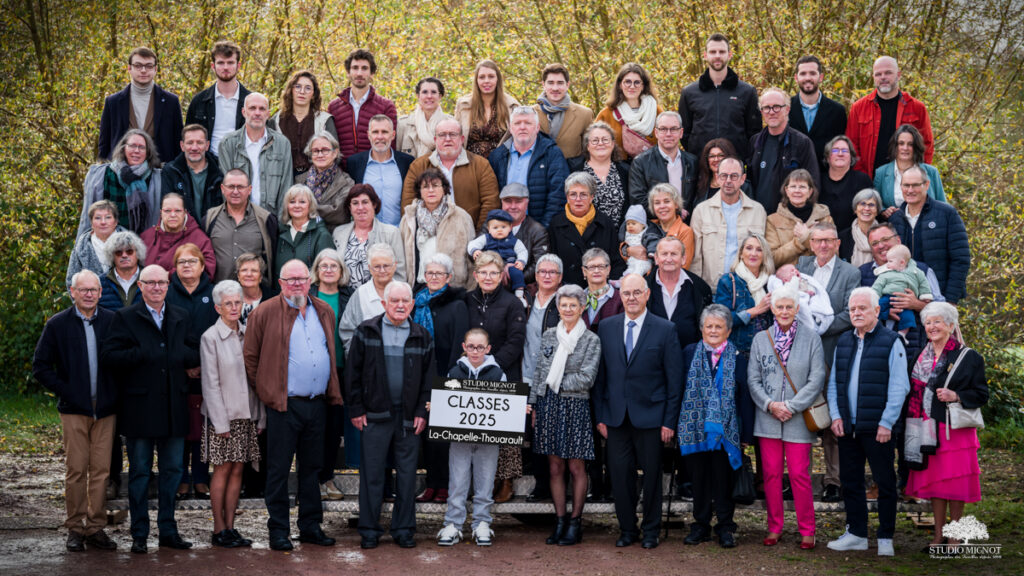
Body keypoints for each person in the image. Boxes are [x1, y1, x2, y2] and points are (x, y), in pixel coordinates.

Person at [243, 259, 343, 551]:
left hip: (317, 404)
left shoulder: (323, 310)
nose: (297, 283)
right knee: (278, 469)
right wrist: (267, 390)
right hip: (283, 405)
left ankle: (311, 526)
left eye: (302, 278)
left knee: (312, 468)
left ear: (309, 281)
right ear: (281, 283)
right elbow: (250, 358)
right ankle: (278, 530)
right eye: (291, 279)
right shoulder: (264, 312)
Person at [101, 264, 199, 554]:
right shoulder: (125, 317)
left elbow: (194, 351)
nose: (156, 288)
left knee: (172, 471)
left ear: (168, 285)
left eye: (161, 283)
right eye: (150, 283)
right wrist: (142, 353)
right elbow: (109, 356)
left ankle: (168, 531)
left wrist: (176, 354)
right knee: (140, 473)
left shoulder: (181, 315)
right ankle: (139, 534)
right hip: (140, 408)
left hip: (173, 407)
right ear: (140, 286)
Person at [594, 273, 683, 549]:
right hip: (616, 418)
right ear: (620, 297)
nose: (631, 298)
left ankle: (652, 530)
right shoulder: (606, 327)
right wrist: (601, 417)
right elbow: (600, 378)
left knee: (653, 476)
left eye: (636, 293)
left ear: (647, 295)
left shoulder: (665, 329)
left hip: (652, 418)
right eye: (626, 293)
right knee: (620, 476)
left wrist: (669, 421)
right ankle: (627, 529)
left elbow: (674, 380)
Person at [33, 270, 118, 552]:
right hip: (74, 410)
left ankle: (95, 528)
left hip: (105, 411)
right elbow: (41, 367)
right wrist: (68, 391)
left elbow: (123, 361)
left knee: (102, 472)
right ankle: (74, 527)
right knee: (76, 470)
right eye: (83, 290)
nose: (89, 294)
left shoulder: (111, 321)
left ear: (99, 292)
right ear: (73, 291)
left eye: (94, 289)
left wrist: (114, 393)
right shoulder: (58, 324)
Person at [346, 281, 434, 550]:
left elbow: (428, 380)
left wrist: (422, 411)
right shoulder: (367, 331)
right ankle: (370, 530)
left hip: (408, 418)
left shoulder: (421, 335)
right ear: (384, 304)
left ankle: (404, 529)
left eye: (405, 301)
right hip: (375, 416)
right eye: (394, 301)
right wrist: (356, 409)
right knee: (372, 475)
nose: (399, 305)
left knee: (407, 476)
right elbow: (353, 374)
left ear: (412, 304)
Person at [826, 287, 910, 557]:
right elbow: (834, 383)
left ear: (876, 311)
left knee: (885, 482)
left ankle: (885, 536)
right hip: (847, 427)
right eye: (852, 309)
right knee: (850, 482)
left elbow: (900, 387)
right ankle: (857, 534)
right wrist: (836, 416)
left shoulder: (891, 341)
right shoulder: (844, 341)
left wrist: (887, 423)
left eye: (862, 308)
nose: (857, 313)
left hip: (878, 429)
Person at [903, 302, 988, 551]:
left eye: (938, 322)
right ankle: (938, 536)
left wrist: (956, 395)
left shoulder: (968, 356)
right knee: (936, 484)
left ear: (951, 325)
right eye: (928, 322)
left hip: (954, 430)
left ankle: (955, 536)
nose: (932, 327)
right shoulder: (921, 354)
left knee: (955, 484)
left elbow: (981, 394)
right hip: (926, 428)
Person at [748, 284, 826, 550]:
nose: (783, 311)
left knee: (799, 475)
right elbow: (753, 379)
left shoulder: (811, 338)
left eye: (788, 307)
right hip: (768, 418)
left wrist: (791, 406)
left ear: (796, 309)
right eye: (779, 306)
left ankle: (807, 530)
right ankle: (774, 527)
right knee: (770, 474)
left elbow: (816, 379)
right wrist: (770, 405)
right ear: (772, 309)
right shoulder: (761, 339)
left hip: (798, 418)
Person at [531, 284, 602, 546]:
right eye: (564, 305)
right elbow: (540, 373)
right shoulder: (549, 335)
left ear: (582, 308)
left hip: (576, 406)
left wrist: (556, 380)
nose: (568, 309)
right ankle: (559, 520)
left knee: (576, 466)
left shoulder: (591, 339)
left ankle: (575, 522)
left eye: (573, 305)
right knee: (554, 466)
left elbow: (586, 378)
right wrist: (535, 404)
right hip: (548, 406)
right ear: (558, 308)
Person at [796, 222, 861, 501]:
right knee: (804, 418)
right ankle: (800, 478)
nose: (823, 245)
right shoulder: (801, 267)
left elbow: (849, 313)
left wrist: (821, 327)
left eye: (829, 241)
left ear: (837, 243)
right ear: (811, 244)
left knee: (833, 417)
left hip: (833, 352)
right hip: (801, 356)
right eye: (818, 240)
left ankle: (833, 479)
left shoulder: (850, 272)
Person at [678, 304, 752, 549]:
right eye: (708, 326)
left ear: (728, 331)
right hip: (695, 429)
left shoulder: (738, 358)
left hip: (727, 431)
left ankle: (725, 527)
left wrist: (746, 434)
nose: (713, 330)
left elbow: (744, 398)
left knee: (723, 480)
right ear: (701, 329)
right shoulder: (689, 353)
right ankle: (700, 525)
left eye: (718, 326)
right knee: (698, 480)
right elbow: (679, 390)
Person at [199, 280, 265, 548]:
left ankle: (231, 528)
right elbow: (210, 383)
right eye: (228, 303)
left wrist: (259, 415)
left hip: (246, 415)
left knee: (239, 470)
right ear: (218, 307)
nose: (234, 307)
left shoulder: (249, 333)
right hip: (223, 417)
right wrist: (220, 422)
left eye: (238, 302)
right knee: (222, 471)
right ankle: (218, 529)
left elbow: (256, 379)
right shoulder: (210, 337)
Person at [435, 328, 507, 546]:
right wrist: (436, 405)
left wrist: (516, 409)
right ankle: (453, 524)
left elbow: (505, 406)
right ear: (464, 348)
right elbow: (447, 404)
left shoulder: (498, 374)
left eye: (480, 347)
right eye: (471, 347)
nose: (475, 351)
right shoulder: (454, 372)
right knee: (457, 482)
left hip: (488, 440)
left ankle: (482, 523)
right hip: (459, 440)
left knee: (485, 482)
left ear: (488, 348)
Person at [465, 252, 527, 502]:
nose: (488, 277)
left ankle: (505, 479)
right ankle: (480, 479)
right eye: (483, 272)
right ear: (475, 275)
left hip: (503, 372)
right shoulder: (467, 300)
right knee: (477, 430)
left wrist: (492, 364)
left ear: (502, 275)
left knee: (504, 433)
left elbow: (516, 340)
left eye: (493, 272)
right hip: (471, 373)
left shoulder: (512, 303)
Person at [413, 254, 469, 504]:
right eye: (429, 273)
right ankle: (431, 484)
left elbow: (460, 343)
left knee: (443, 436)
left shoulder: (457, 304)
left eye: (439, 274)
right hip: (418, 375)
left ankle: (444, 485)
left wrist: (450, 379)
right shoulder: (417, 302)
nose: (433, 277)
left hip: (445, 375)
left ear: (448, 277)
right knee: (424, 434)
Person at [165, 244, 219, 501]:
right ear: (175, 267)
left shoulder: (212, 293)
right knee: (181, 427)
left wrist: (201, 365)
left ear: (202, 265)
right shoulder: (167, 294)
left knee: (203, 428)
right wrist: (187, 364)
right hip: (177, 370)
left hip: (208, 370)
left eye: (192, 261)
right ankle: (181, 479)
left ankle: (200, 477)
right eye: (181, 262)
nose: (187, 266)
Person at [309, 249, 354, 500]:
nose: (328, 270)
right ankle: (312, 479)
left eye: (333, 266)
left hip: (341, 370)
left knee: (334, 428)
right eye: (323, 265)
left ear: (341, 271)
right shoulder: (308, 295)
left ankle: (327, 478)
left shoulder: (350, 296)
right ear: (316, 271)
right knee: (314, 427)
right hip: (314, 370)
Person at [400, 117, 501, 229]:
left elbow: (490, 203)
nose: (447, 139)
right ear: (435, 139)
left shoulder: (481, 165)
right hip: (428, 239)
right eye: (442, 135)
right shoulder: (418, 166)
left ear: (462, 139)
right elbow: (409, 204)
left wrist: (478, 238)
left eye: (453, 134)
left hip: (468, 237)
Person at [893, 164, 970, 303]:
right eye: (906, 185)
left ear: (926, 185)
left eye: (915, 185)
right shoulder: (895, 219)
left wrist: (950, 300)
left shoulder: (947, 213)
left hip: (939, 296)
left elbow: (961, 259)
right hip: (905, 297)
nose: (910, 190)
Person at [848, 56, 934, 178]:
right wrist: (862, 178)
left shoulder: (917, 108)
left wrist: (916, 176)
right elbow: (851, 146)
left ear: (898, 75)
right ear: (873, 78)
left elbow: (927, 146)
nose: (883, 77)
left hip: (906, 181)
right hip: (869, 180)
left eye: (888, 73)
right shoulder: (858, 108)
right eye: (878, 74)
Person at [678, 33, 761, 159]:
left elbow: (754, 133)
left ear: (729, 54)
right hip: (701, 167)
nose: (717, 56)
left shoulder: (747, 92)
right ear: (705, 55)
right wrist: (697, 153)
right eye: (713, 52)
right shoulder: (689, 93)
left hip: (735, 167)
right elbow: (684, 133)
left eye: (722, 52)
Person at [522, 254, 564, 501]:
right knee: (530, 433)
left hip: (551, 378)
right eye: (543, 272)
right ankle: (538, 483)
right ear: (536, 276)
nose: (547, 276)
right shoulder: (524, 299)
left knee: (546, 432)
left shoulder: (564, 301)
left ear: (560, 278)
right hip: (525, 374)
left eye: (552, 272)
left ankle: (550, 487)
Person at [690, 157, 768, 288]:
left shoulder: (758, 211)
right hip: (712, 289)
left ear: (743, 179)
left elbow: (764, 255)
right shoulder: (701, 211)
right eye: (724, 175)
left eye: (734, 176)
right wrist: (698, 289)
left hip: (748, 289)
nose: (728, 181)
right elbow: (695, 257)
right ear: (717, 177)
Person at [97, 46, 182, 163]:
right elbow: (104, 144)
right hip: (121, 171)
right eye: (138, 66)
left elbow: (178, 142)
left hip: (160, 171)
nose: (143, 70)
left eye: (148, 66)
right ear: (129, 68)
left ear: (155, 69)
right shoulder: (113, 102)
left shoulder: (171, 101)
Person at [489, 106, 570, 227]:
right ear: (511, 128)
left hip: (540, 230)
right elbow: (491, 197)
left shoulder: (552, 153)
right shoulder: (497, 157)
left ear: (537, 128)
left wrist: (542, 231)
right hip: (504, 230)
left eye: (528, 123)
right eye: (517, 123)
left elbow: (558, 197)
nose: (522, 127)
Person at [217, 92, 293, 216]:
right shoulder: (228, 144)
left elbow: (286, 188)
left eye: (262, 109)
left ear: (268, 114)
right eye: (252, 108)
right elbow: (227, 190)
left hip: (271, 218)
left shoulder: (282, 144)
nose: (257, 113)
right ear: (244, 112)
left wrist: (279, 227)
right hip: (239, 219)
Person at [748, 87, 821, 214]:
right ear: (761, 111)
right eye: (766, 107)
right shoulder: (755, 142)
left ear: (787, 109)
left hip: (787, 220)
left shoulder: (802, 143)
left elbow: (813, 185)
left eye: (777, 107)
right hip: (757, 217)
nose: (771, 112)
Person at [400, 168, 476, 289]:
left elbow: (471, 258)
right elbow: (401, 257)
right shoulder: (408, 218)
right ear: (419, 191)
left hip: (452, 287)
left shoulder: (461, 216)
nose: (430, 190)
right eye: (425, 186)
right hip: (417, 286)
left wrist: (470, 289)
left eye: (435, 185)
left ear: (444, 188)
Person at [79, 129, 163, 236]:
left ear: (148, 152)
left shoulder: (157, 177)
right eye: (132, 146)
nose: (136, 150)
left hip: (144, 243)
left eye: (141, 147)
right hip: (107, 242)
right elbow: (87, 217)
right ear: (123, 148)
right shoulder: (103, 174)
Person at [547, 172, 624, 287]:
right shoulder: (556, 224)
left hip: (600, 288)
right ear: (567, 197)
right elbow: (552, 261)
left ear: (592, 197)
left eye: (583, 194)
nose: (578, 199)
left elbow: (616, 260)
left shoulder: (605, 223)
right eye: (573, 194)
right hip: (568, 291)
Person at [204, 169, 278, 284]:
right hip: (220, 292)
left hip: (254, 293)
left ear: (249, 190)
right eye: (231, 186)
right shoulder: (209, 218)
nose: (235, 191)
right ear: (223, 189)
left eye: (240, 187)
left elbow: (273, 260)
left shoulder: (266, 219)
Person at [344, 115, 415, 226]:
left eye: (385, 132)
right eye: (375, 132)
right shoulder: (354, 163)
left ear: (393, 135)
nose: (380, 137)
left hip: (399, 233)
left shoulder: (407, 162)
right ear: (369, 135)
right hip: (367, 233)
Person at [332, 184, 406, 288]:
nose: (360, 207)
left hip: (380, 297)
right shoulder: (339, 233)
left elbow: (400, 274)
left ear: (374, 204)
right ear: (350, 207)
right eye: (355, 203)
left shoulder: (391, 233)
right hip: (345, 298)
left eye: (365, 202)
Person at [266, 70, 339, 176]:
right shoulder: (275, 121)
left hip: (317, 179)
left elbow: (334, 154)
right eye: (298, 86)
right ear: (291, 90)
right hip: (283, 179)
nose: (302, 91)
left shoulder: (324, 120)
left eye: (308, 88)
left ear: (313, 94)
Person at [328, 49, 398, 158]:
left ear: (372, 74)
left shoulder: (386, 106)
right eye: (355, 68)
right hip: (342, 172)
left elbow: (391, 145)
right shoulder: (334, 107)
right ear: (348, 72)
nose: (359, 73)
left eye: (364, 68)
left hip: (373, 170)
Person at [185, 41, 250, 157]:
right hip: (208, 166)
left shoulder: (251, 102)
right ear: (213, 66)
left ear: (238, 66)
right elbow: (187, 137)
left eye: (230, 62)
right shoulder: (199, 101)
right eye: (220, 63)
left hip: (241, 165)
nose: (225, 67)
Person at [628, 111, 699, 218]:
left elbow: (698, 196)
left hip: (687, 226)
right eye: (663, 129)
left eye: (674, 129)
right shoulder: (641, 163)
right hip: (656, 227)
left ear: (681, 133)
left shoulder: (692, 162)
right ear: (656, 133)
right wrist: (673, 212)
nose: (668, 134)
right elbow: (638, 200)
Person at [647, 236, 712, 351]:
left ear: (683, 258)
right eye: (664, 254)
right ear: (656, 258)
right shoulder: (643, 287)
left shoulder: (700, 288)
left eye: (674, 254)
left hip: (689, 358)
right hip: (652, 359)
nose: (668, 259)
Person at [714, 233, 775, 353]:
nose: (753, 253)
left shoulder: (771, 282)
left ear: (764, 255)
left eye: (759, 250)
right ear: (741, 254)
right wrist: (755, 311)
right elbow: (722, 320)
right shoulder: (728, 281)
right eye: (749, 248)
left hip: (767, 350)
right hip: (738, 351)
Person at [566, 121, 631, 228]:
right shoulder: (573, 169)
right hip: (584, 236)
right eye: (595, 141)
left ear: (613, 144)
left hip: (618, 236)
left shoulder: (625, 171)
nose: (600, 143)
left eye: (605, 140)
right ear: (587, 146)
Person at [765, 169, 834, 266]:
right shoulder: (773, 220)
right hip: (787, 277)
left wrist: (806, 237)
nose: (797, 191)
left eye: (802, 187)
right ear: (786, 191)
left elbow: (833, 255)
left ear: (810, 192)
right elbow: (771, 258)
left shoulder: (825, 218)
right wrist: (800, 241)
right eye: (793, 186)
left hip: (819, 276)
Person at [339, 243, 401, 350]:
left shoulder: (403, 291)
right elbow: (347, 331)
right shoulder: (360, 294)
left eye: (386, 266)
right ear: (369, 268)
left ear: (394, 265)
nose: (382, 270)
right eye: (377, 266)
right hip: (368, 361)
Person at [873, 124, 947, 214]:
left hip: (927, 226)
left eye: (910, 144)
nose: (905, 148)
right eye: (901, 143)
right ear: (895, 146)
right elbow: (875, 204)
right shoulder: (881, 173)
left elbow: (943, 207)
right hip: (894, 226)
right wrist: (884, 211)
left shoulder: (931, 172)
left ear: (916, 147)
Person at [594, 63, 662, 158]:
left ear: (643, 86)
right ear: (620, 85)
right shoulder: (606, 114)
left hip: (650, 167)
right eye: (627, 82)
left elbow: (666, 140)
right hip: (619, 168)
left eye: (637, 82)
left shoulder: (656, 111)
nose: (632, 86)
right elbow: (594, 144)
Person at [455, 59, 520, 159]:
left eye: (491, 76)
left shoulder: (511, 106)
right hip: (469, 165)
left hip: (501, 165)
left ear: (497, 79)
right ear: (476, 80)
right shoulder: (464, 105)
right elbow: (455, 137)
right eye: (482, 77)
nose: (486, 81)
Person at [788, 56, 848, 162]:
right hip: (793, 175)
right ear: (796, 78)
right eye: (803, 73)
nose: (807, 78)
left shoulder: (837, 111)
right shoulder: (786, 109)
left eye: (812, 73)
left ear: (820, 77)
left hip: (826, 175)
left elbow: (841, 147)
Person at [140, 193, 217, 276]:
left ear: (185, 213)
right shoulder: (146, 237)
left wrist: (169, 275)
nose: (173, 215)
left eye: (177, 211)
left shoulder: (200, 239)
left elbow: (208, 271)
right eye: (167, 211)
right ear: (161, 213)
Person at [161, 124, 225, 222]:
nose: (194, 148)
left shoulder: (221, 171)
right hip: (183, 230)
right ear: (182, 146)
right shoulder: (171, 171)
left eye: (199, 143)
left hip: (215, 230)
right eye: (190, 143)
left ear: (207, 145)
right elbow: (168, 210)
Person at [294, 131, 356, 231]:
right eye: (315, 151)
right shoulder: (299, 180)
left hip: (333, 238)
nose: (320, 155)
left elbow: (339, 213)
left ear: (335, 153)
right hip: (304, 236)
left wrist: (304, 209)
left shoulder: (347, 182)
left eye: (325, 150)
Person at [533, 63, 594, 160]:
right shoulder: (530, 113)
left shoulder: (584, 114)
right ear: (543, 85)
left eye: (560, 83)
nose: (555, 88)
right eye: (551, 83)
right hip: (539, 171)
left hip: (572, 172)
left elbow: (591, 150)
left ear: (567, 85)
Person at [274, 184, 334, 279]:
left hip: (309, 292)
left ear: (310, 205)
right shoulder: (279, 232)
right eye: (292, 202)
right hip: (281, 292)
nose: (297, 206)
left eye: (302, 202)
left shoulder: (322, 235)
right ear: (287, 206)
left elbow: (327, 273)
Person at [872, 244, 933, 334]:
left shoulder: (917, 272)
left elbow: (923, 284)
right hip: (888, 297)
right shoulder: (886, 273)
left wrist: (924, 296)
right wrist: (873, 295)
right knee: (876, 307)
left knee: (908, 318)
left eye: (890, 261)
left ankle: (903, 334)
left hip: (906, 304)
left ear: (902, 262)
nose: (887, 264)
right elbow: (878, 285)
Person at [468, 209, 528, 299]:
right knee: (486, 276)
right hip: (491, 264)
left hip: (509, 264)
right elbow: (472, 244)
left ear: (510, 227)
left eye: (503, 227)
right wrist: (475, 250)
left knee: (517, 273)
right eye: (495, 228)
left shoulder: (514, 241)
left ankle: (519, 295)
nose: (499, 230)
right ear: (489, 229)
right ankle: (485, 295)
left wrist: (521, 261)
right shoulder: (486, 238)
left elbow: (522, 251)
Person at [819, 135, 872, 233]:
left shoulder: (862, 180)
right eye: (835, 150)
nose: (840, 154)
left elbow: (872, 211)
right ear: (827, 157)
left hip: (854, 239)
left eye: (845, 151)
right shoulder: (818, 180)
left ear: (851, 158)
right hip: (823, 240)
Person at [498, 183, 550, 285]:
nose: (513, 206)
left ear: (527, 204)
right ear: (502, 203)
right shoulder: (491, 225)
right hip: (492, 285)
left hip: (524, 288)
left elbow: (540, 264)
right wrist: (499, 269)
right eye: (508, 201)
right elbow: (474, 253)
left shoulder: (537, 231)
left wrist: (515, 278)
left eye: (518, 202)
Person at [66, 200, 123, 288]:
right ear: (91, 223)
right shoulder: (81, 246)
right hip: (90, 299)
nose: (103, 222)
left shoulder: (130, 243)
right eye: (97, 218)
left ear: (115, 222)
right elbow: (71, 281)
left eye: (108, 217)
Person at [641, 183, 696, 270]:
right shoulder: (648, 226)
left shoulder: (685, 231)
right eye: (657, 203)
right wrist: (628, 250)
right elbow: (629, 242)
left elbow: (683, 266)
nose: (662, 206)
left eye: (667, 201)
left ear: (676, 205)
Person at [397, 76, 453, 157]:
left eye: (433, 92)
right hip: (411, 169)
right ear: (418, 96)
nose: (429, 96)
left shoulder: (451, 123)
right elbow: (398, 156)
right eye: (425, 92)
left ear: (440, 96)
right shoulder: (403, 124)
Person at [97, 231, 145, 311]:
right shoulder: (99, 283)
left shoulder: (150, 280)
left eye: (129, 251)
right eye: (119, 252)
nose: (124, 255)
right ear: (112, 256)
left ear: (138, 253)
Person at [694, 138, 750, 206]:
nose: (716, 159)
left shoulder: (743, 186)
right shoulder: (700, 185)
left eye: (721, 155)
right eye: (712, 156)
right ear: (707, 160)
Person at [838, 188, 884, 267]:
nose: (866, 208)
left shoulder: (885, 236)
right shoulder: (843, 237)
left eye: (871, 205)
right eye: (862, 204)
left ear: (877, 211)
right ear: (855, 209)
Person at [580, 248, 624, 329]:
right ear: (584, 271)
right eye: (592, 267)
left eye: (601, 266)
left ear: (608, 269)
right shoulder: (577, 299)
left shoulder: (621, 299)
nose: (596, 271)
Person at [620, 205, 652, 278]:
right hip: (632, 261)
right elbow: (623, 246)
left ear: (643, 225)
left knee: (638, 269)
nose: (630, 226)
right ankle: (622, 280)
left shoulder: (646, 234)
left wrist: (650, 253)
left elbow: (652, 244)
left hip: (644, 261)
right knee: (629, 270)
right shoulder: (626, 234)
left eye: (633, 223)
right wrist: (626, 249)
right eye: (628, 224)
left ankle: (635, 278)